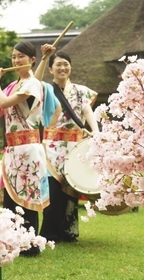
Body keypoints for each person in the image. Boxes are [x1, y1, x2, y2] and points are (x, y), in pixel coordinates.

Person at [0, 41, 50, 255]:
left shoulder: (32, 84)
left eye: (21, 56)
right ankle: (12, 242)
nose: (16, 60)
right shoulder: (12, 86)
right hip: (13, 149)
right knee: (12, 196)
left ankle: (29, 245)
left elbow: (4, 103)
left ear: (32, 60)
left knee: (28, 195)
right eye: (13, 56)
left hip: (28, 148)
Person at [40, 51, 100, 243]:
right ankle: (49, 233)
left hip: (73, 146)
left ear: (70, 66)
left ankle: (68, 232)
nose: (62, 68)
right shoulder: (45, 90)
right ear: (50, 69)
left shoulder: (80, 90)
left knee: (71, 189)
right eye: (58, 64)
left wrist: (96, 131)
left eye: (66, 64)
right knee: (54, 189)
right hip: (51, 147)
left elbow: (87, 110)